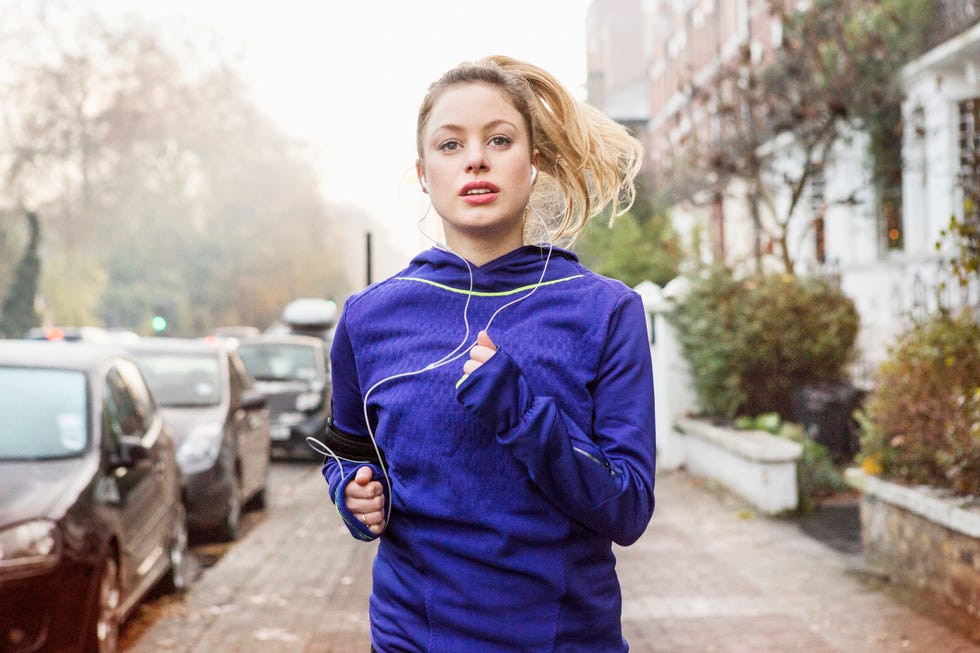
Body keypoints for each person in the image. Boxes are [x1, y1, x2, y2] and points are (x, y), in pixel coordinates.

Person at [315, 54, 656, 652]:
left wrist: (521, 414)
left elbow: (627, 509)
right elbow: (347, 450)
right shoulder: (369, 317)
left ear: (534, 165)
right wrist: (352, 490)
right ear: (424, 173)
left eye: (499, 139)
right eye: (451, 145)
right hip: (412, 641)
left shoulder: (605, 311)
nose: (475, 158)